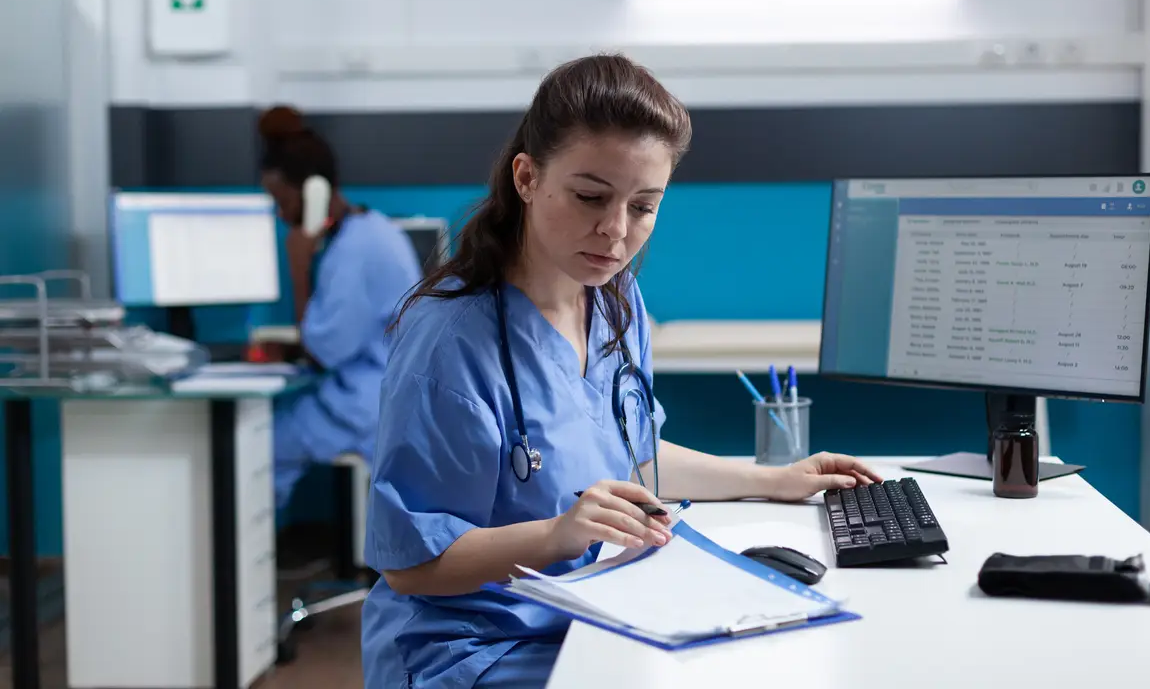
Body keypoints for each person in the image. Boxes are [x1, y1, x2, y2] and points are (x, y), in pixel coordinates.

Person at [360, 54, 881, 688]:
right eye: (590, 197)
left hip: (591, 613)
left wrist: (772, 479)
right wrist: (556, 534)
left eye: (643, 206)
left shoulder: (614, 302)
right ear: (526, 177)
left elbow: (628, 457)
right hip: (475, 646)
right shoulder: (449, 343)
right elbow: (412, 565)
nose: (615, 232)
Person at [258, 105, 425, 510]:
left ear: (313, 191)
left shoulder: (351, 252)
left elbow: (322, 351)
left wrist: (299, 268)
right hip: (382, 391)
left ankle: (244, 564)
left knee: (258, 448)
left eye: (283, 202)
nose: (282, 216)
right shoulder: (374, 229)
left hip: (367, 404)